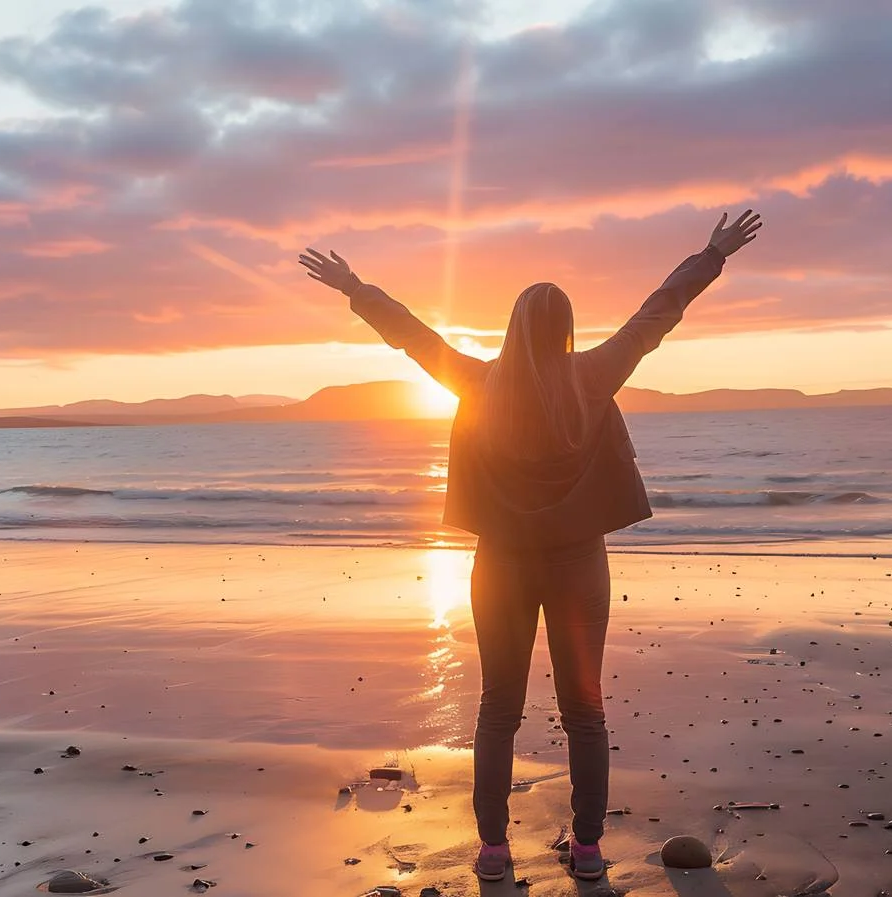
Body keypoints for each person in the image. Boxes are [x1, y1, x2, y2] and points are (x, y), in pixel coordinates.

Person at [299, 209, 762, 882]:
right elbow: (657, 314)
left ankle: (492, 850)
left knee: (498, 707)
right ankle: (588, 848)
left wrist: (353, 285)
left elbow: (410, 335)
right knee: (585, 709)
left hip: (501, 566)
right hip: (578, 563)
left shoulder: (479, 381)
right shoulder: (593, 373)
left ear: (514, 327)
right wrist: (713, 253)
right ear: (566, 328)